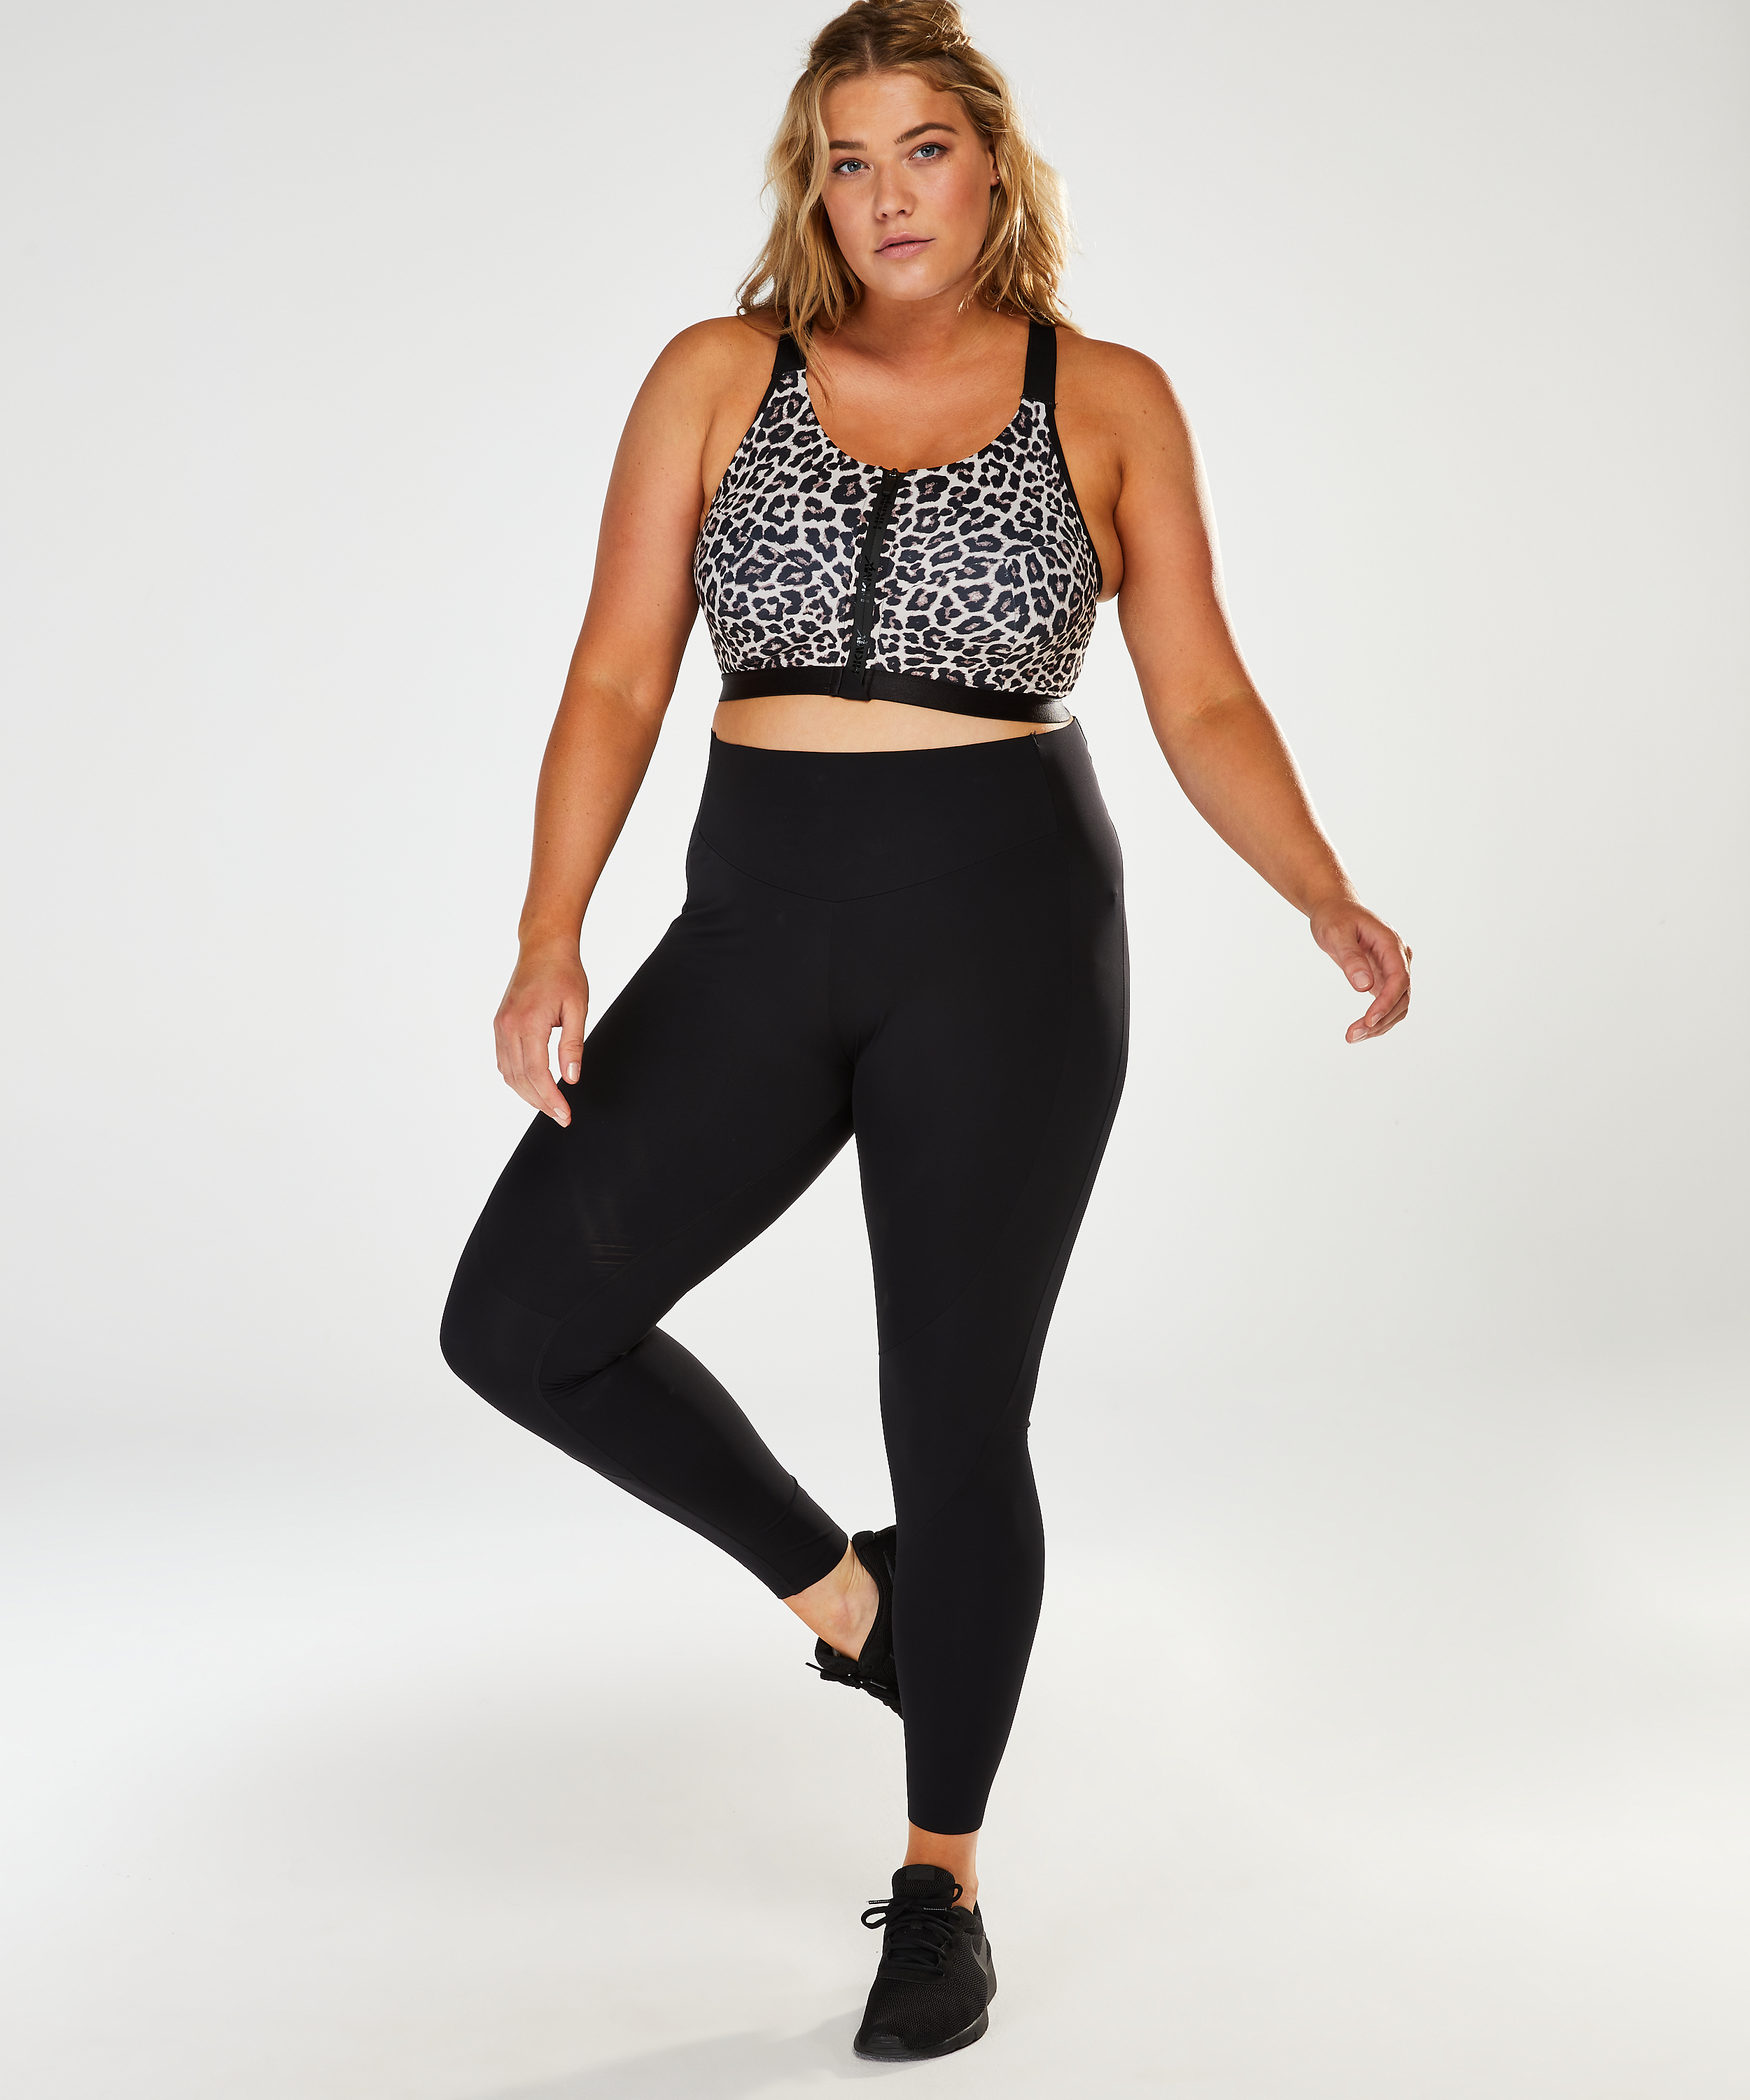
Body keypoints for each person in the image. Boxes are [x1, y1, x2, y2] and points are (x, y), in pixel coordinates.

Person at [440, 0, 1410, 2063]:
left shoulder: (1107, 397)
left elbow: (1200, 694)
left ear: (992, 164)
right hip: (755, 920)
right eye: (846, 158)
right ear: (813, 187)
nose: (885, 195)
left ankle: (942, 1883)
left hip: (1007, 937)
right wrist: (548, 934)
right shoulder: (719, 375)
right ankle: (859, 1607)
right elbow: (615, 675)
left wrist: (1317, 886)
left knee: (955, 1418)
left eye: (922, 151)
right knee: (519, 1319)